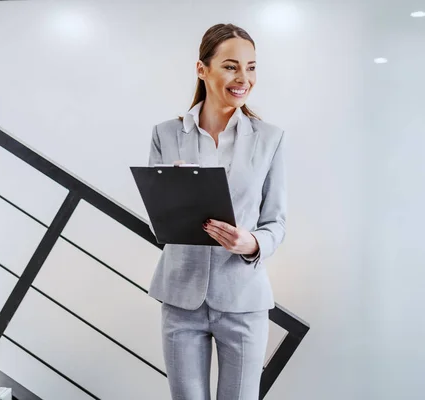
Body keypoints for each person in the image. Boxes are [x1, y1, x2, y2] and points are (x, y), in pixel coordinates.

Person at [147, 23, 286, 400]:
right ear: (202, 69)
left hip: (243, 299)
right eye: (231, 66)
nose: (244, 78)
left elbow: (276, 221)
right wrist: (173, 198)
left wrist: (252, 242)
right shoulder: (166, 134)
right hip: (181, 299)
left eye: (252, 67)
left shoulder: (270, 138)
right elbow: (156, 224)